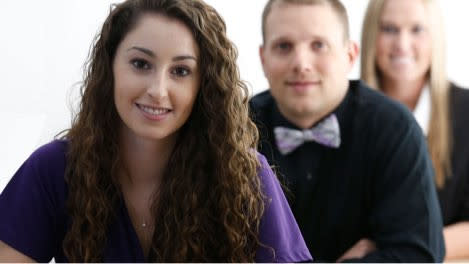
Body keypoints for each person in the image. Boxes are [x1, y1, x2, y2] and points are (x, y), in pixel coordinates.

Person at [0, 0, 312, 262]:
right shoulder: (54, 169)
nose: (158, 90)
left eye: (180, 71)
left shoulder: (246, 177)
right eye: (140, 63)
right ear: (109, 67)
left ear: (203, 85)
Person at [249, 0, 445, 262]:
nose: (301, 63)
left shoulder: (395, 129)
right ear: (263, 58)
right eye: (284, 46)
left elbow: (419, 254)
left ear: (350, 55)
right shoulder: (232, 128)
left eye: (319, 45)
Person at [360, 0, 469, 260]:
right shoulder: (344, 113)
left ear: (436, 38)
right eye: (389, 29)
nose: (402, 44)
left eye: (417, 29)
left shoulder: (466, 112)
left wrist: (404, 250)